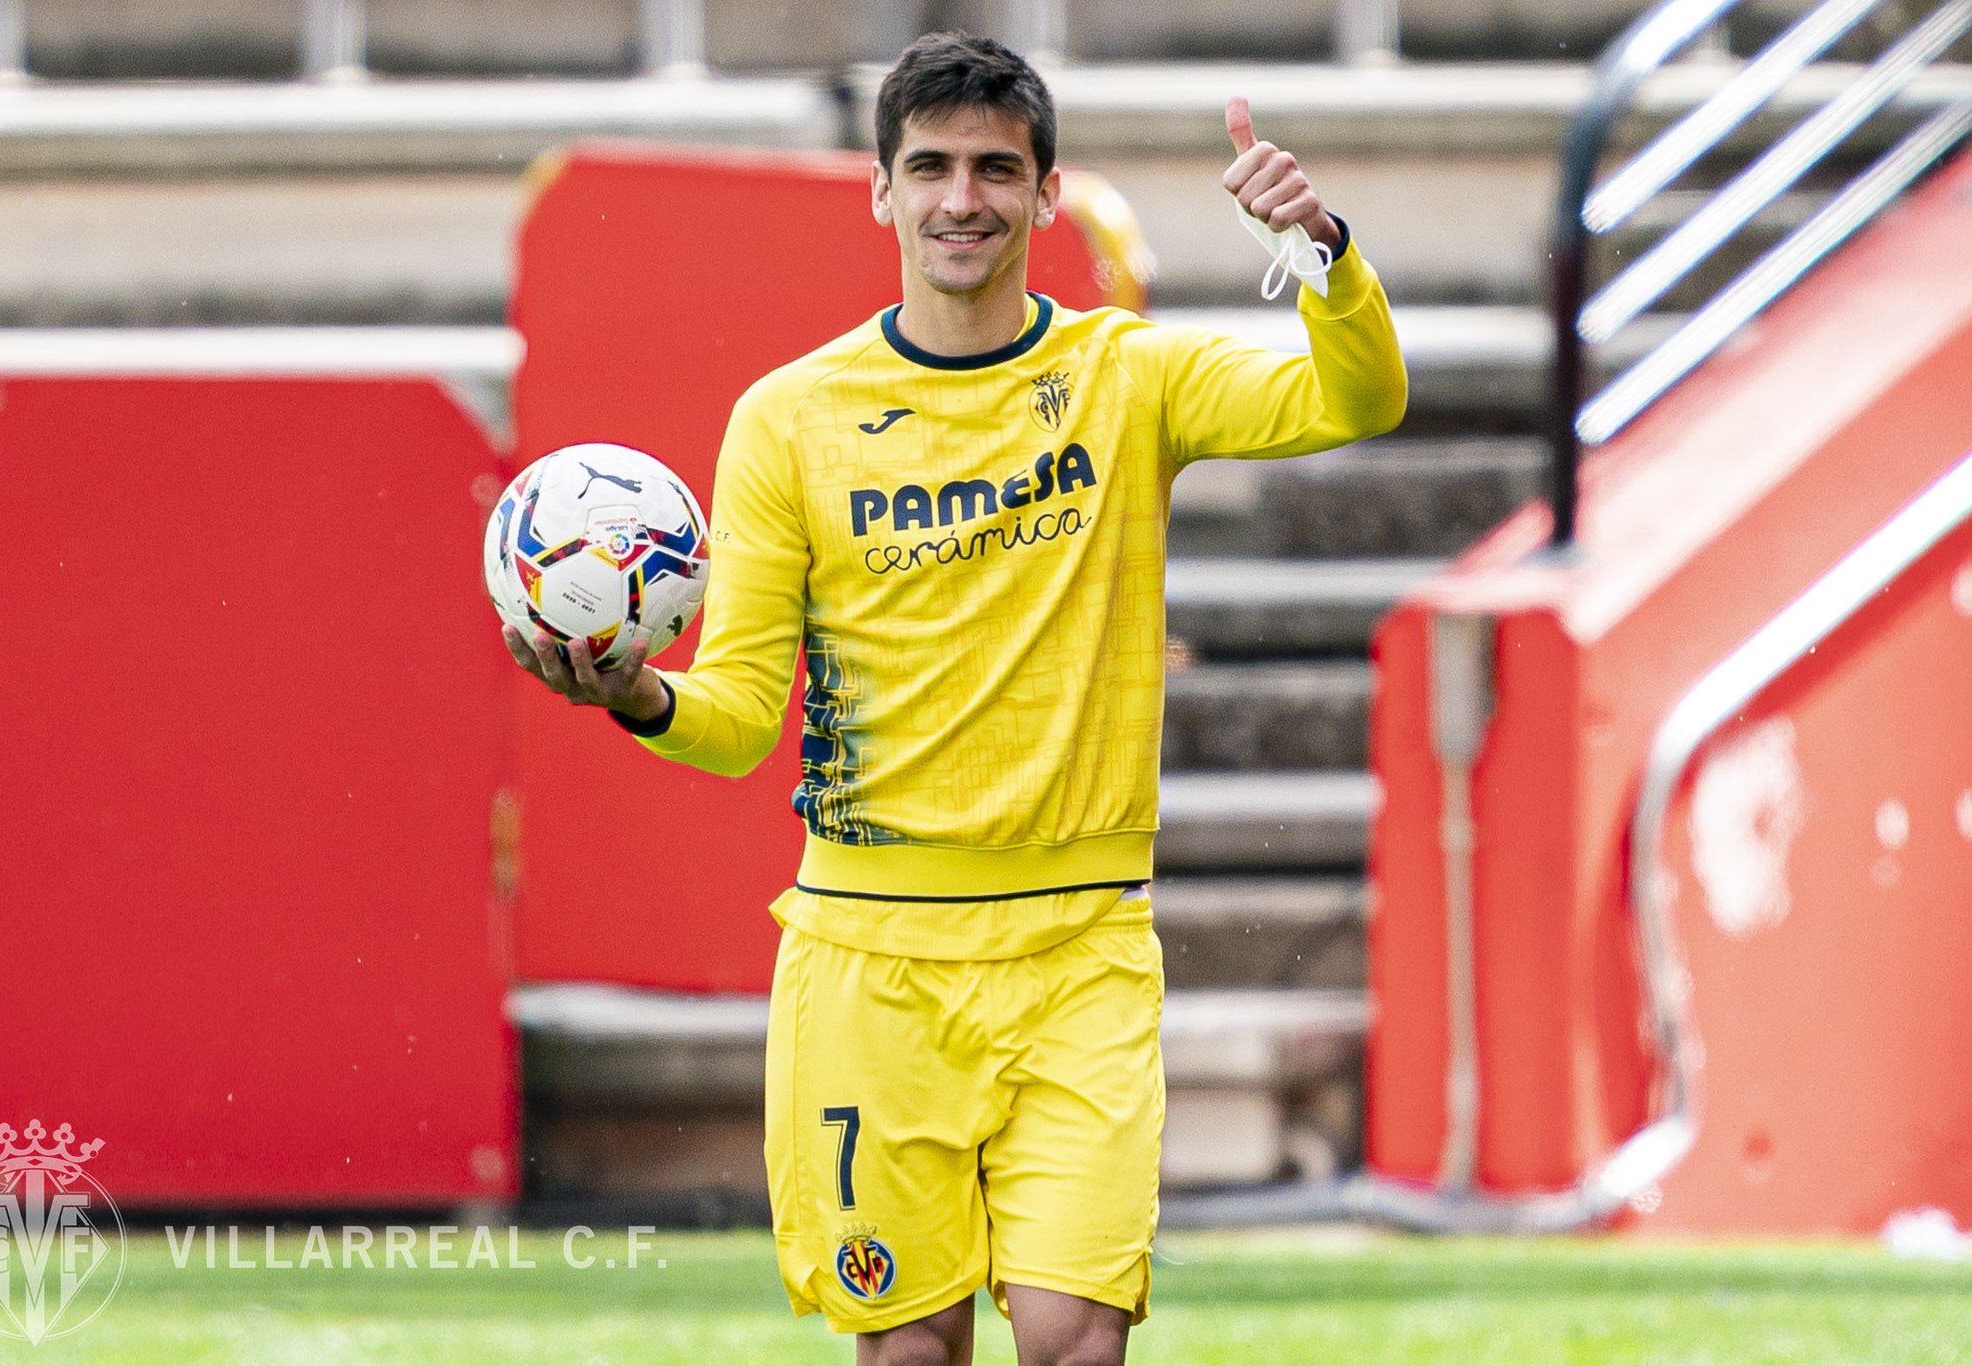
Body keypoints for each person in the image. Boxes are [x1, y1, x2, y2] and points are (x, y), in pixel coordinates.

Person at [504, 31, 1406, 1366]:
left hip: (1079, 943)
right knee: (911, 1351)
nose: (961, 197)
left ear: (1049, 195)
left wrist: (1323, 249)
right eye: (929, 166)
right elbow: (744, 711)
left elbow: (1363, 395)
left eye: (996, 167)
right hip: (871, 959)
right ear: (880, 192)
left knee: (1072, 1336)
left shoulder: (1128, 379)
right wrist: (638, 695)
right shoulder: (789, 420)